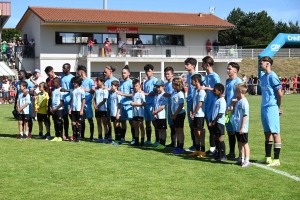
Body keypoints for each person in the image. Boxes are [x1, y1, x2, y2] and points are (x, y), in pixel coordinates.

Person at [259, 56, 282, 167]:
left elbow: (280, 94)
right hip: (264, 107)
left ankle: (276, 159)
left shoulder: (273, 76)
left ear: (267, 64)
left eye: (261, 62)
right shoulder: (263, 77)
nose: (260, 64)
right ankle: (267, 157)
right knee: (267, 132)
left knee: (275, 133)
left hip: (272, 107)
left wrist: (277, 107)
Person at [202, 56, 221, 156]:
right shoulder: (206, 76)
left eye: (203, 64)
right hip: (208, 104)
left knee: (214, 127)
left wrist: (207, 88)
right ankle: (212, 148)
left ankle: (217, 149)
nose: (202, 66)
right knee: (210, 127)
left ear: (207, 64)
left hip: (214, 104)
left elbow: (219, 90)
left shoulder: (215, 76)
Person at [225, 62, 243, 159]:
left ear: (235, 70)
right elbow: (226, 97)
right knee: (230, 132)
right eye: (227, 69)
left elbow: (240, 97)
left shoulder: (238, 82)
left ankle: (241, 154)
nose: (227, 71)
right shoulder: (227, 82)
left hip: (236, 111)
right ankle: (232, 152)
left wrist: (232, 105)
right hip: (228, 111)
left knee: (237, 132)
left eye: (229, 69)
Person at [231, 83, 250, 168]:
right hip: (237, 126)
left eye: (235, 91)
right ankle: (241, 159)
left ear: (240, 91)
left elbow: (245, 115)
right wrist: (232, 104)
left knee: (245, 143)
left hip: (243, 127)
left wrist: (242, 127)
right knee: (239, 143)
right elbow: (232, 112)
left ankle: (247, 160)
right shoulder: (238, 101)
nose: (235, 92)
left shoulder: (244, 102)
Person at [189, 74, 206, 157]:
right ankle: (197, 149)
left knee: (200, 132)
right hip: (195, 114)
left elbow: (200, 103)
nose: (191, 82)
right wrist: (191, 111)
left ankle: (202, 150)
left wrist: (195, 112)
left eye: (192, 80)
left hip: (200, 115)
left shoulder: (201, 91)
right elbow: (194, 102)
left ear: (196, 81)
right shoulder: (195, 90)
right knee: (195, 131)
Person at [77, 65, 95, 141]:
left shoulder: (90, 80)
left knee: (90, 120)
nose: (77, 74)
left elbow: (93, 90)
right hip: (81, 105)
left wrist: (87, 90)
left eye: (78, 72)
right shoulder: (79, 81)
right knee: (82, 120)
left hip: (88, 104)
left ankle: (91, 137)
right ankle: (82, 136)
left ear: (81, 72)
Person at [14, 70, 35, 139]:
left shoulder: (30, 83)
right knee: (20, 120)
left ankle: (29, 133)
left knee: (28, 119)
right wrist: (15, 104)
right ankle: (21, 133)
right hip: (20, 103)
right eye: (18, 74)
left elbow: (33, 93)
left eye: (20, 74)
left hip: (27, 105)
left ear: (24, 75)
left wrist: (27, 92)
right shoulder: (17, 83)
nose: (19, 75)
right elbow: (17, 94)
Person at [184, 57, 199, 151]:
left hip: (195, 102)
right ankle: (194, 144)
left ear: (193, 65)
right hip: (189, 101)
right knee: (190, 124)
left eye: (187, 64)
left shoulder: (197, 76)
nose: (185, 66)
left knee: (197, 125)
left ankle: (198, 145)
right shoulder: (188, 76)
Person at [117, 65, 134, 144]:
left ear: (128, 73)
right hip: (122, 105)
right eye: (122, 73)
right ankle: (122, 138)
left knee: (131, 122)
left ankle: (134, 138)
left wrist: (123, 94)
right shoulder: (121, 83)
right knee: (123, 122)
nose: (123, 74)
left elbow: (132, 94)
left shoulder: (131, 82)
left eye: (124, 73)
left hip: (129, 105)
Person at [210, 83, 227, 161]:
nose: (214, 91)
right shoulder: (217, 100)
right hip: (215, 121)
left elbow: (220, 113)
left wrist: (215, 121)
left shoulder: (222, 101)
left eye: (215, 90)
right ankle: (218, 154)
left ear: (220, 91)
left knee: (220, 138)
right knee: (216, 138)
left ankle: (223, 155)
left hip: (219, 122)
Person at [143, 64, 158, 146]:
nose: (147, 73)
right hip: (146, 104)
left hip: (152, 104)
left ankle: (157, 140)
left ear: (152, 71)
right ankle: (148, 140)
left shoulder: (155, 80)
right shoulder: (145, 82)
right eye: (146, 71)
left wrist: (146, 94)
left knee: (154, 122)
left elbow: (156, 91)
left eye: (149, 71)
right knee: (147, 122)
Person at [170, 78, 186, 154]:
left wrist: (175, 114)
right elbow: (172, 103)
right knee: (176, 130)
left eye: (173, 84)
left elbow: (181, 104)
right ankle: (178, 146)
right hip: (174, 114)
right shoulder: (173, 92)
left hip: (180, 114)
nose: (172, 85)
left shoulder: (180, 93)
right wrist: (171, 113)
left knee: (180, 130)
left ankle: (181, 146)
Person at [103, 65, 119, 141]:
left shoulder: (115, 80)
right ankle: (109, 135)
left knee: (115, 121)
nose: (104, 73)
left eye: (105, 72)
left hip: (114, 105)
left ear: (110, 71)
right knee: (107, 120)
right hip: (106, 103)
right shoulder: (105, 80)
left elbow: (116, 90)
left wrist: (108, 88)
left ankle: (118, 137)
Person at [152, 80, 168, 149]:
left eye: (158, 87)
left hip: (162, 115)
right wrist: (154, 112)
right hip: (157, 115)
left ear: (163, 86)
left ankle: (163, 143)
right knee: (159, 129)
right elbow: (154, 105)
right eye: (156, 87)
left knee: (163, 129)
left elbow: (163, 106)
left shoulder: (164, 95)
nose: (157, 88)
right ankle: (160, 142)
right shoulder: (156, 95)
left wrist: (156, 112)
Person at [60, 63, 75, 140]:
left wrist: (66, 90)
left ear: (69, 68)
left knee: (72, 118)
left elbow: (74, 89)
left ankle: (74, 135)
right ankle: (66, 134)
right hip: (63, 101)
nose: (63, 69)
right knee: (64, 119)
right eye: (62, 68)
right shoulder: (62, 77)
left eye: (64, 68)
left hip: (70, 100)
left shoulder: (72, 77)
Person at [69, 76, 85, 143]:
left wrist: (82, 109)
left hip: (79, 109)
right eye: (73, 82)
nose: (73, 83)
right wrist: (70, 108)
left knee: (78, 123)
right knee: (73, 123)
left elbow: (83, 100)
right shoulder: (72, 90)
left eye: (75, 82)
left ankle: (78, 137)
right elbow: (71, 99)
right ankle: (74, 136)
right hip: (73, 109)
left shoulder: (81, 90)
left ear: (78, 82)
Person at [130, 79, 146, 146]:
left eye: (136, 86)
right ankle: (136, 140)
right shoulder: (133, 94)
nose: (135, 87)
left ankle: (142, 141)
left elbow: (144, 103)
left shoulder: (141, 94)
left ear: (139, 85)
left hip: (140, 113)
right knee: (135, 126)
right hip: (134, 113)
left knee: (141, 126)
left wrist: (135, 104)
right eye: (134, 86)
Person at [164, 66, 176, 147]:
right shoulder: (166, 84)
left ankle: (176, 143)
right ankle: (173, 142)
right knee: (171, 125)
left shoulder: (174, 84)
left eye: (168, 74)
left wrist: (166, 94)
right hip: (168, 106)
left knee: (175, 125)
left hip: (174, 106)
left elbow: (174, 94)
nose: (167, 75)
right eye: (166, 74)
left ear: (172, 74)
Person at [94, 76, 109, 143]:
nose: (97, 83)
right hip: (97, 109)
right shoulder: (96, 90)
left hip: (103, 109)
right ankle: (100, 137)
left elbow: (104, 100)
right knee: (98, 123)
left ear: (102, 82)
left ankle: (106, 137)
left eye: (98, 81)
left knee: (105, 124)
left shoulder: (105, 90)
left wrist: (98, 106)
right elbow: (94, 98)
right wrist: (94, 105)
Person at [50, 77, 64, 142]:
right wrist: (51, 107)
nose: (53, 84)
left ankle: (60, 136)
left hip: (59, 109)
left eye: (54, 83)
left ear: (58, 83)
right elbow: (51, 99)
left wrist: (56, 108)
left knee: (59, 122)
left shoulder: (61, 90)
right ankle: (56, 136)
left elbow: (62, 102)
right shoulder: (53, 90)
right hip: (53, 109)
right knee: (55, 122)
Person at [110, 80, 122, 146]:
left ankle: (119, 140)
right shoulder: (112, 94)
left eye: (112, 85)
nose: (111, 87)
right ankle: (116, 139)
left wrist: (118, 113)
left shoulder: (118, 94)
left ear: (116, 86)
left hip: (117, 113)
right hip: (113, 113)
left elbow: (119, 104)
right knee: (115, 126)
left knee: (117, 126)